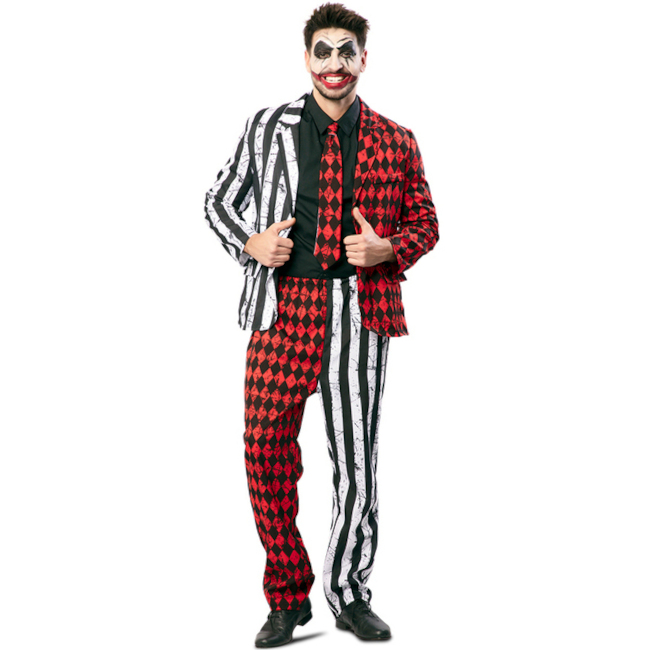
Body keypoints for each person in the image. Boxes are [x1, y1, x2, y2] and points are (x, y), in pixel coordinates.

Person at [204, 3, 439, 646]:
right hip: (282, 310)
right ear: (306, 58)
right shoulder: (266, 128)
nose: (335, 64)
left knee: (356, 465)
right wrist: (250, 243)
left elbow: (426, 222)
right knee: (264, 450)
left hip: (358, 314)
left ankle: (350, 593)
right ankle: (288, 594)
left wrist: (388, 249)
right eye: (323, 51)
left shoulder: (397, 139)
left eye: (346, 52)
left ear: (364, 59)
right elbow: (218, 200)